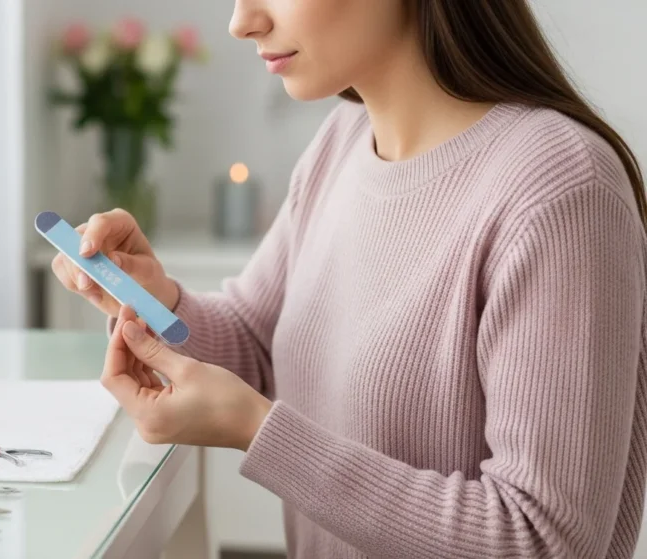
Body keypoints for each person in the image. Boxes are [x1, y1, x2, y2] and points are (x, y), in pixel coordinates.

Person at [52, 1, 647, 557]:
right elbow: (257, 342)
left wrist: (255, 430)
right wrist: (154, 300)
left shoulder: (560, 191)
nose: (242, 21)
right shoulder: (341, 142)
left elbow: (541, 537)